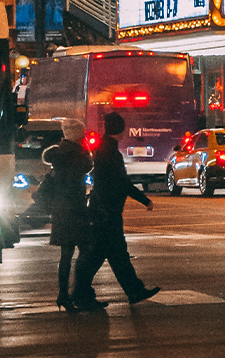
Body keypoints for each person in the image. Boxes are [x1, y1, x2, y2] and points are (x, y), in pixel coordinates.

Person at [71, 112, 160, 310]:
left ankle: (132, 290)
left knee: (114, 254)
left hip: (102, 211)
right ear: (120, 129)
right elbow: (122, 183)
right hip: (108, 213)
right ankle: (82, 294)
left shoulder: (103, 149)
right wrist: (144, 200)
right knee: (102, 255)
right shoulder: (110, 152)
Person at [39, 119, 93, 313]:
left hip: (61, 211)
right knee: (87, 251)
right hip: (75, 211)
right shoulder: (78, 156)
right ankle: (79, 292)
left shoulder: (58, 155)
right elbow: (89, 166)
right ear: (79, 135)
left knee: (66, 254)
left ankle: (64, 294)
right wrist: (85, 148)